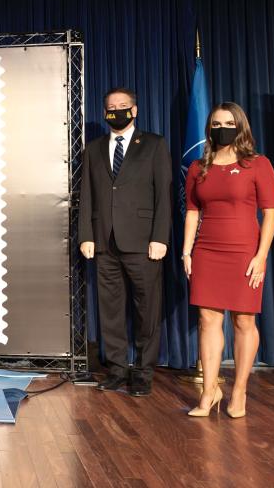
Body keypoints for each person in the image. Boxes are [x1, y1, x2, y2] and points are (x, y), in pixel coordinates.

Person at [183, 102, 274, 418]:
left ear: (240, 126)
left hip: (244, 253)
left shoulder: (258, 164)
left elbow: (270, 213)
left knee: (243, 320)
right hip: (207, 252)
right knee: (207, 320)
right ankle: (209, 392)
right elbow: (192, 212)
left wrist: (261, 256)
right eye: (215, 123)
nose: (220, 127)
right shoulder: (199, 167)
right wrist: (187, 252)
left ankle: (239, 392)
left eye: (227, 122)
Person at [79, 87, 172, 397]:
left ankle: (144, 372)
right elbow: (87, 196)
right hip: (105, 242)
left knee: (146, 310)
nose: (115, 110)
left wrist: (160, 237)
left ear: (134, 111)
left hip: (144, 243)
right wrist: (86, 236)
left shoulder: (154, 145)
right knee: (111, 310)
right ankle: (117, 370)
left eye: (121, 106)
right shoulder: (92, 149)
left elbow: (164, 197)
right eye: (110, 106)